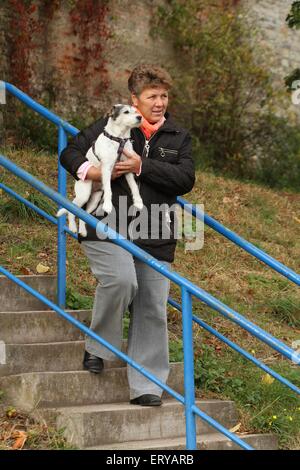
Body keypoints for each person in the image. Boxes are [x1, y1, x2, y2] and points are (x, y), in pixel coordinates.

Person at [60, 64, 195, 406]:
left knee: (152, 306)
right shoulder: (114, 125)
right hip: (107, 224)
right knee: (122, 281)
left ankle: (147, 385)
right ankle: (98, 345)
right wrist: (88, 171)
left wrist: (141, 167)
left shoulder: (178, 137)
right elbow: (70, 151)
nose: (159, 102)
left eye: (164, 95)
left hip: (155, 231)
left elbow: (184, 180)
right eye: (152, 96)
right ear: (135, 100)